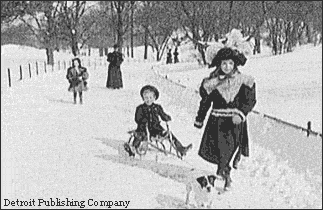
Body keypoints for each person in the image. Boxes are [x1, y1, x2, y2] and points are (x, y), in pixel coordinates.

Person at [194, 47, 256, 191]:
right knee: (220, 150)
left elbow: (250, 101)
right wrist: (200, 118)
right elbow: (205, 103)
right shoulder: (212, 83)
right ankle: (225, 173)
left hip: (235, 122)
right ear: (219, 65)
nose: (227, 67)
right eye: (224, 64)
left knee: (229, 149)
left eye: (230, 63)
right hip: (217, 122)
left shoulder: (244, 81)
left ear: (235, 64)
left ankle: (224, 171)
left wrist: (241, 113)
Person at [127, 85, 193, 158]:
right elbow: (137, 119)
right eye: (146, 98)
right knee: (139, 136)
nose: (148, 100)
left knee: (169, 134)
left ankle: (181, 148)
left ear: (154, 98)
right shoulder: (140, 108)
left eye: (150, 97)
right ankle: (132, 148)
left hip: (156, 129)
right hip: (143, 128)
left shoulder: (157, 107)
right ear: (143, 98)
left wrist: (166, 117)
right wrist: (143, 120)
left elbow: (162, 115)